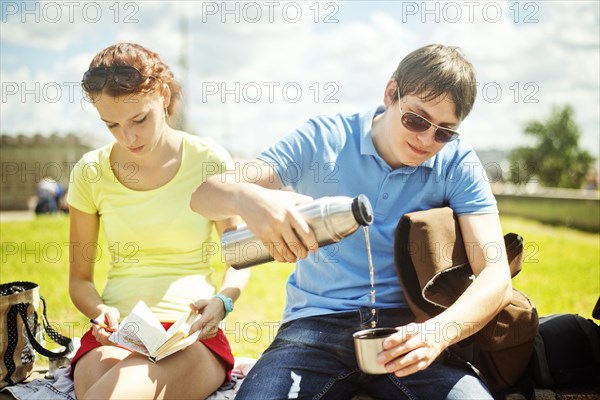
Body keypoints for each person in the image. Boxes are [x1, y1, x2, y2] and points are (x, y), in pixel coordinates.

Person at [190, 44, 512, 399]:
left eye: (444, 132)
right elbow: (203, 196)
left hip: (412, 331)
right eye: (416, 120)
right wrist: (249, 197)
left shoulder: (458, 162)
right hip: (311, 330)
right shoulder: (323, 139)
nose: (426, 139)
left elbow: (496, 274)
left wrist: (439, 333)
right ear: (391, 93)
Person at [68, 42, 249, 400]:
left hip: (189, 333)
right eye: (112, 125)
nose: (128, 137)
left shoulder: (207, 159)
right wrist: (99, 310)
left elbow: (241, 256)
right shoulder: (90, 171)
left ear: (163, 95)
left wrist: (223, 302)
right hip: (118, 333)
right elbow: (79, 281)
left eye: (139, 119)